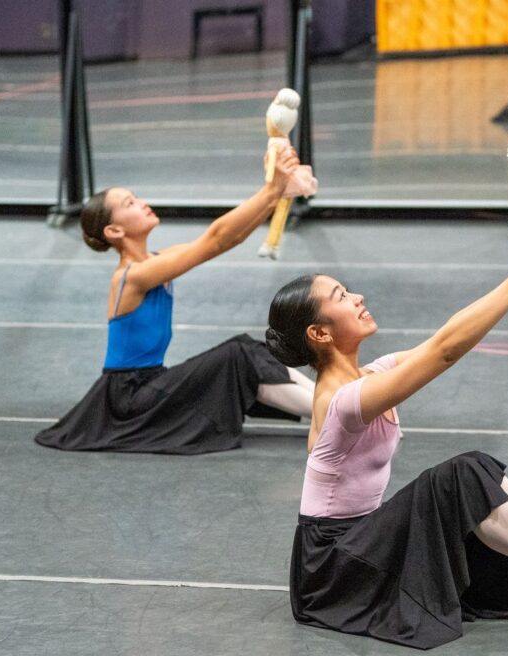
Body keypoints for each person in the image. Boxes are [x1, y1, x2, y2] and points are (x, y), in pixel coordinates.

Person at [265, 241, 508, 649]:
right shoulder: (341, 402)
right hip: (331, 570)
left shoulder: (372, 375)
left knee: (477, 467)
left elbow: (443, 340)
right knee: (460, 475)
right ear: (319, 333)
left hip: (360, 545)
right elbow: (445, 352)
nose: (357, 297)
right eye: (341, 296)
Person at [35, 147, 314, 455]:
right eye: (130, 203)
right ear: (114, 230)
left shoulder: (157, 261)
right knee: (238, 355)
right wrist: (271, 188)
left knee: (251, 349)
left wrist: (276, 195)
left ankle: (334, 402)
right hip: (129, 398)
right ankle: (337, 413)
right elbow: (215, 239)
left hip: (151, 383)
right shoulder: (133, 276)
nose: (142, 203)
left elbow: (229, 239)